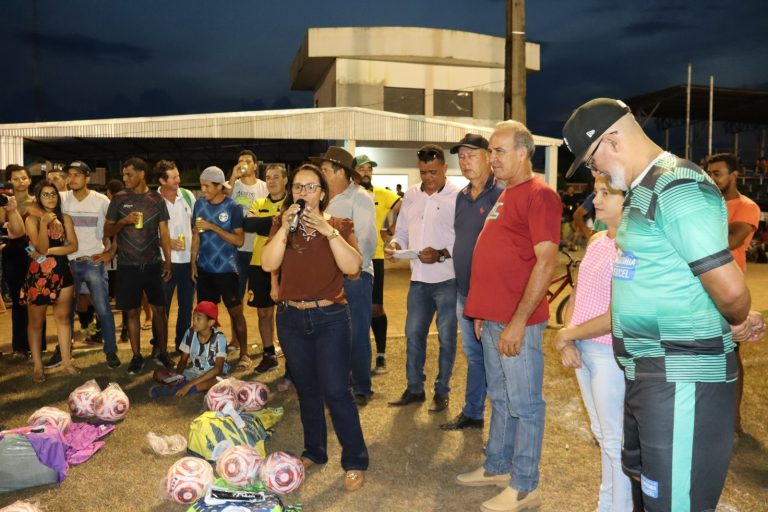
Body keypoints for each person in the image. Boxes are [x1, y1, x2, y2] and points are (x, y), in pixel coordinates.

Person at [562, 98, 763, 512]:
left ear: (612, 140)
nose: (595, 172)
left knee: (675, 502)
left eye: (592, 160)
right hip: (651, 374)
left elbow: (729, 289)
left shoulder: (678, 187)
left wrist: (740, 319)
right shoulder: (642, 190)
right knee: (649, 492)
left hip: (681, 375)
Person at [456, 121, 561, 512]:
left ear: (523, 152)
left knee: (525, 403)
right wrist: (482, 310)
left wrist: (518, 321)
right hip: (493, 318)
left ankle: (525, 485)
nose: (493, 158)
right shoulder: (507, 193)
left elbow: (546, 260)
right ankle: (498, 466)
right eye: (491, 151)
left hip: (519, 323)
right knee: (499, 397)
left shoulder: (540, 195)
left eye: (499, 151)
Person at [261, 163, 368, 492]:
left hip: (330, 317)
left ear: (322, 193)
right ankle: (315, 451)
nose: (303, 192)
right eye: (298, 187)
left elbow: (353, 267)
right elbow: (268, 263)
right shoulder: (282, 224)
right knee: (307, 389)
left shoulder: (339, 224)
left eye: (310, 187)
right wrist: (284, 227)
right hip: (291, 318)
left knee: (336, 390)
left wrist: (326, 229)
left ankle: (355, 460)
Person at [553, 175, 632, 512]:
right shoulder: (599, 239)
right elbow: (579, 295)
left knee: (614, 440)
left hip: (609, 353)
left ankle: (620, 507)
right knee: (602, 434)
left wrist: (568, 335)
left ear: (629, 200)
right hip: (585, 348)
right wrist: (568, 338)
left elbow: (618, 316)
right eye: (596, 192)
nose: (596, 200)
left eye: (606, 194)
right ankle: (606, 504)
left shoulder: (633, 248)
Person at [385, 144, 459, 413]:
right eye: (423, 172)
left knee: (447, 339)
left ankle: (442, 390)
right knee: (413, 335)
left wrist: (440, 253)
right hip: (418, 280)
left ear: (445, 168)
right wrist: (395, 245)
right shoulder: (412, 195)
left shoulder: (458, 197)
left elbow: (465, 239)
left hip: (448, 280)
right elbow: (402, 231)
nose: (428, 178)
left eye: (433, 172)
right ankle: (415, 388)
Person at [440, 133, 502, 432]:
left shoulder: (501, 194)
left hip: (490, 295)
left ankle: (499, 426)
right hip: (464, 292)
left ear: (489, 156)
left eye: (471, 155)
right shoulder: (462, 196)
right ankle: (474, 412)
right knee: (475, 356)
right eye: (461, 157)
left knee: (495, 359)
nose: (465, 162)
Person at [705, 152, 761, 442]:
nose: (712, 178)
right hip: (696, 288)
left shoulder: (747, 207)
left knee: (730, 353)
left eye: (718, 173)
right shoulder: (705, 202)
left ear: (735, 175)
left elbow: (730, 241)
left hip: (726, 290)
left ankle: (733, 419)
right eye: (709, 173)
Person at [316, 147, 377, 406]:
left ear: (340, 172)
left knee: (357, 332)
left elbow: (367, 238)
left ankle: (361, 385)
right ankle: (339, 383)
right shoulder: (323, 199)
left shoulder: (359, 198)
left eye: (325, 170)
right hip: (328, 278)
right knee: (333, 332)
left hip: (355, 277)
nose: (321, 174)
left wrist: (355, 270)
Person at [104, 157, 173, 375]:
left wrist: (168, 260)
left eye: (129, 174)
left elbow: (164, 232)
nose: (125, 178)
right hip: (127, 265)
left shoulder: (156, 199)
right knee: (132, 312)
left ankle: (163, 352)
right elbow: (107, 231)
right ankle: (136, 356)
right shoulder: (119, 199)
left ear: (142, 174)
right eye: (124, 175)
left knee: (159, 310)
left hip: (153, 263)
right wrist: (123, 222)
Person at [57, 160, 120, 369]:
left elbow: (115, 227)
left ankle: (110, 351)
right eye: (70, 175)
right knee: (65, 312)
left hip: (93, 262)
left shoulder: (101, 200)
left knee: (103, 309)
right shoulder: (61, 199)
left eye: (77, 174)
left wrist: (110, 252)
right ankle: (63, 351)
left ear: (87, 178)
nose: (72, 178)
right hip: (68, 262)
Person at [21, 180, 80, 383]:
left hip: (62, 271)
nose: (50, 198)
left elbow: (73, 246)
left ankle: (66, 362)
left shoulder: (65, 218)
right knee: (36, 322)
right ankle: (38, 365)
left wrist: (51, 251)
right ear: (38, 198)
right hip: (39, 275)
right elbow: (39, 246)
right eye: (45, 194)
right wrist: (45, 223)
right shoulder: (32, 220)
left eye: (53, 194)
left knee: (63, 319)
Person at [191, 166, 249, 370]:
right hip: (205, 269)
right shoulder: (199, 205)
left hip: (227, 270)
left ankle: (244, 354)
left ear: (219, 186)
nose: (203, 190)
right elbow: (196, 235)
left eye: (207, 186)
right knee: (205, 316)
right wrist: (193, 262)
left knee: (236, 313)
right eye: (201, 186)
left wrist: (213, 227)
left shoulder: (233, 207)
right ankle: (207, 354)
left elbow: (239, 240)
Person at [354, 153, 402, 375]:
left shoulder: (382, 194)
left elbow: (406, 209)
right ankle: (355, 356)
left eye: (369, 169)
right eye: (361, 169)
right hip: (350, 257)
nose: (366, 173)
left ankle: (381, 355)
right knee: (352, 309)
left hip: (375, 257)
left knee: (375, 308)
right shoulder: (348, 195)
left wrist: (390, 231)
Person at [243, 164, 288, 374]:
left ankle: (292, 353)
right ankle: (269, 354)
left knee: (287, 312)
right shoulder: (259, 202)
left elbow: (259, 224)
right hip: (259, 264)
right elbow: (248, 225)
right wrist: (277, 222)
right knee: (264, 313)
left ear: (285, 180)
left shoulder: (291, 205)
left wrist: (264, 223)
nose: (271, 181)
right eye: (268, 177)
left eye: (276, 177)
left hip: (286, 264)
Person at [149, 300, 229, 399]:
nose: (194, 321)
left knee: (217, 382)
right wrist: (177, 376)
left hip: (212, 375)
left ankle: (178, 389)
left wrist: (189, 384)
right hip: (194, 372)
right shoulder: (190, 333)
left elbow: (217, 369)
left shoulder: (219, 338)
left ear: (210, 322)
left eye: (198, 318)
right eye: (193, 317)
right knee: (158, 373)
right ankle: (185, 387)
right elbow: (183, 360)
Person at [155, 160, 195, 352]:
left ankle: (182, 344)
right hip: (164, 261)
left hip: (187, 261)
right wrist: (165, 242)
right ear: (162, 180)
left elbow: (195, 225)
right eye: (173, 177)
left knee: (186, 307)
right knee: (161, 307)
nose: (178, 180)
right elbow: (145, 233)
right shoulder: (153, 200)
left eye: (178, 175)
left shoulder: (187, 196)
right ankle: (159, 346)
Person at [1, 165, 40, 358]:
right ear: (9, 181)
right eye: (15, 179)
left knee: (37, 299)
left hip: (35, 252)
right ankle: (20, 347)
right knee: (18, 300)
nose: (20, 182)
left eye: (23, 178)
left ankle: (38, 346)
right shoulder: (4, 203)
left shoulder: (38, 202)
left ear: (30, 180)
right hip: (13, 254)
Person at [228, 150, 268, 301]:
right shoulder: (232, 185)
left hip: (259, 249)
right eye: (240, 161)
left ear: (255, 166)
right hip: (237, 249)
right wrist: (233, 177)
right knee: (235, 296)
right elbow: (222, 201)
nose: (243, 164)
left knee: (259, 297)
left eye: (248, 161)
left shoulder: (264, 187)